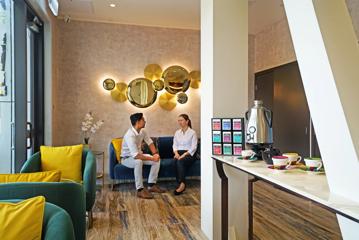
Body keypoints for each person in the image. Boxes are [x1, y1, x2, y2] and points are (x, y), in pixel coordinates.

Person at [121, 113, 165, 199]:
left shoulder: (143, 131)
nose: (145, 121)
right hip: (126, 159)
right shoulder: (130, 135)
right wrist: (152, 157)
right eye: (143, 120)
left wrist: (155, 154)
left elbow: (150, 142)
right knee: (138, 161)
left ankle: (151, 185)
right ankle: (140, 190)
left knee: (156, 160)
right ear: (138, 122)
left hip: (138, 155)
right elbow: (136, 156)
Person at [172, 114, 198, 195]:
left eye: (181, 120)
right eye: (178, 120)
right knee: (175, 161)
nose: (179, 122)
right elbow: (174, 145)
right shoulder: (177, 132)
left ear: (187, 121)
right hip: (179, 152)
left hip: (189, 153)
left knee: (180, 161)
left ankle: (182, 184)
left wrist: (184, 155)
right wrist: (176, 153)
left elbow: (194, 147)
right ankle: (180, 183)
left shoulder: (192, 133)